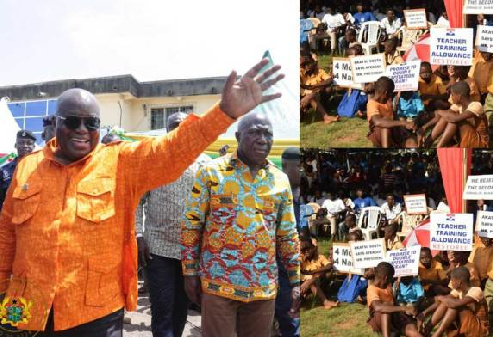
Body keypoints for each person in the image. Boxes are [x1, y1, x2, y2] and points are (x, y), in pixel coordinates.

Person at [0, 58, 283, 336]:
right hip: (26, 306)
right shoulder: (28, 166)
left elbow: (171, 150)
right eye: (72, 121)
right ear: (55, 122)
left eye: (92, 122)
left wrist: (223, 113)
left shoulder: (121, 162)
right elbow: (6, 235)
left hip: (95, 310)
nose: (82, 130)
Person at [181, 108, 299, 337]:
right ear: (238, 137)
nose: (263, 140)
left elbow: (288, 234)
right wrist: (189, 272)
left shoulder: (280, 180)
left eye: (268, 134)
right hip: (218, 283)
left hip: (263, 286)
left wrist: (295, 281)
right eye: (255, 132)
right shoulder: (211, 172)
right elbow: (191, 224)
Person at [135, 112, 210, 337]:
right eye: (173, 126)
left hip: (192, 251)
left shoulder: (205, 163)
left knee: (180, 310)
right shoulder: (153, 160)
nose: (178, 130)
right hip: (158, 249)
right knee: (162, 310)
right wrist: (138, 236)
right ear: (166, 131)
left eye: (183, 125)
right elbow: (138, 200)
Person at [419, 267, 488, 337]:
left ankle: (437, 334)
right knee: (446, 302)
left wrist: (440, 297)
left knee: (453, 307)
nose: (450, 283)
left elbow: (455, 304)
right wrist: (424, 313)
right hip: (467, 325)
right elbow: (443, 301)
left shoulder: (476, 291)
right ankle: (427, 330)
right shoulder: (458, 290)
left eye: (452, 280)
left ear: (459, 282)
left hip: (479, 329)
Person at [422, 81, 489, 148]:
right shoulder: (458, 106)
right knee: (445, 117)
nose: (450, 97)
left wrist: (438, 111)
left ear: (459, 97)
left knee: (453, 121)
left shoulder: (476, 105)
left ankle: (438, 147)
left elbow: (455, 119)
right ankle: (428, 142)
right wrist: (424, 127)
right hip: (465, 139)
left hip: (479, 142)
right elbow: (444, 116)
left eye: (452, 95)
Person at [366, 262, 422, 337]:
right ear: (386, 278)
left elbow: (394, 303)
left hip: (394, 319)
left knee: (412, 330)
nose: (392, 279)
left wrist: (409, 314)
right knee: (385, 307)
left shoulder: (388, 286)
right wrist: (404, 308)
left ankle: (395, 331)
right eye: (391, 277)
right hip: (379, 319)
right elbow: (378, 307)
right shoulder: (372, 289)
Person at [367, 77, 416, 148]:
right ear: (386, 93)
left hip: (393, 133)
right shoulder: (372, 103)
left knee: (412, 142)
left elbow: (394, 117)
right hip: (379, 135)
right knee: (385, 125)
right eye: (391, 92)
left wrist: (402, 128)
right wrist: (404, 123)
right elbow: (378, 122)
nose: (392, 95)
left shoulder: (389, 101)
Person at [0, 130, 36, 210]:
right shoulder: (3, 171)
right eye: (21, 143)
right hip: (11, 217)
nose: (25, 146)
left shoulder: (41, 168)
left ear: (34, 147)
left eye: (29, 143)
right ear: (16, 145)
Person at [299, 237, 339, 309]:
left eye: (308, 249)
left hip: (316, 281)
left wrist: (314, 272)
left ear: (314, 248)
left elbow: (329, 266)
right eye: (304, 250)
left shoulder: (320, 257)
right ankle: (324, 301)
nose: (306, 251)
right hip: (302, 282)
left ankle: (325, 301)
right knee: (311, 281)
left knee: (313, 281)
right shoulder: (302, 258)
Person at [300, 58, 340, 123]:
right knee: (312, 96)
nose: (306, 66)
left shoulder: (319, 71)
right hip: (303, 99)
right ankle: (326, 117)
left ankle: (326, 116)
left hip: (316, 96)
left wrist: (315, 86)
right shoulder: (300, 73)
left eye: (308, 64)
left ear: (313, 63)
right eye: (304, 65)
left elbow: (329, 80)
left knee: (323, 91)